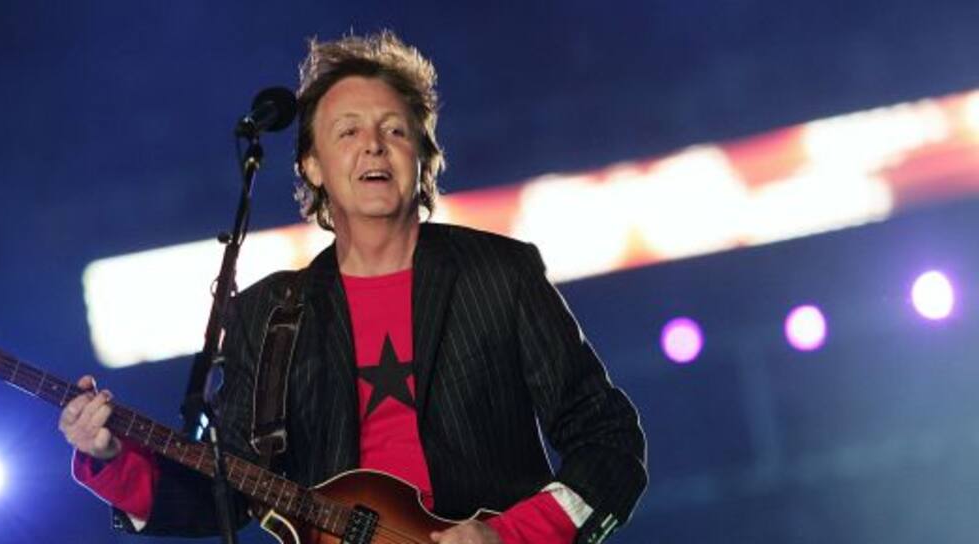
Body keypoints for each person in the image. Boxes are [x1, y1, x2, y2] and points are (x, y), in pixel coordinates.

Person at [59, 31, 646, 543]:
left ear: (423, 158)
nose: (373, 144)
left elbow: (609, 442)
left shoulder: (499, 273)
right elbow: (227, 493)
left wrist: (510, 535)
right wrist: (112, 457)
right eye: (348, 131)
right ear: (311, 166)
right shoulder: (268, 314)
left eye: (395, 129)